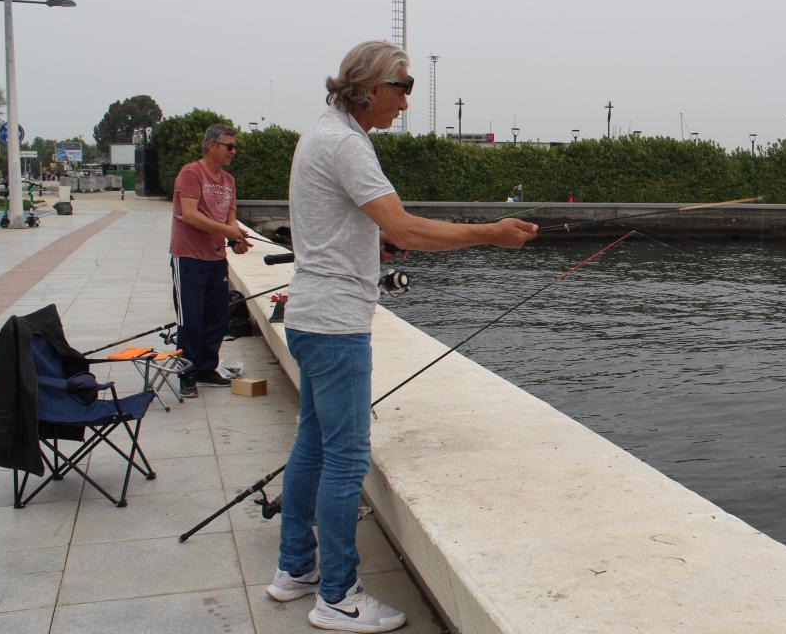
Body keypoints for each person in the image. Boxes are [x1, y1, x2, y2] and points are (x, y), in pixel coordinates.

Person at [267, 40, 536, 633]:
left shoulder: (323, 133)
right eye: (403, 88)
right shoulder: (347, 144)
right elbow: (405, 226)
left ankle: (295, 571)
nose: (406, 103)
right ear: (367, 88)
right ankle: (336, 595)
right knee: (345, 459)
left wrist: (377, 242)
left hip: (311, 317)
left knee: (312, 444)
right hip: (336, 326)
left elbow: (354, 225)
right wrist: (489, 234)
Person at [169, 124, 250, 397]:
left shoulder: (228, 180)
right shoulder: (191, 173)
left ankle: (206, 369)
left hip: (216, 259)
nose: (233, 151)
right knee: (190, 319)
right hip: (189, 258)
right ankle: (186, 375)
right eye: (229, 146)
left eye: (235, 146)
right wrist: (228, 230)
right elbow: (189, 215)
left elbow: (229, 218)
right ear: (211, 145)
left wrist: (236, 238)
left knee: (218, 316)